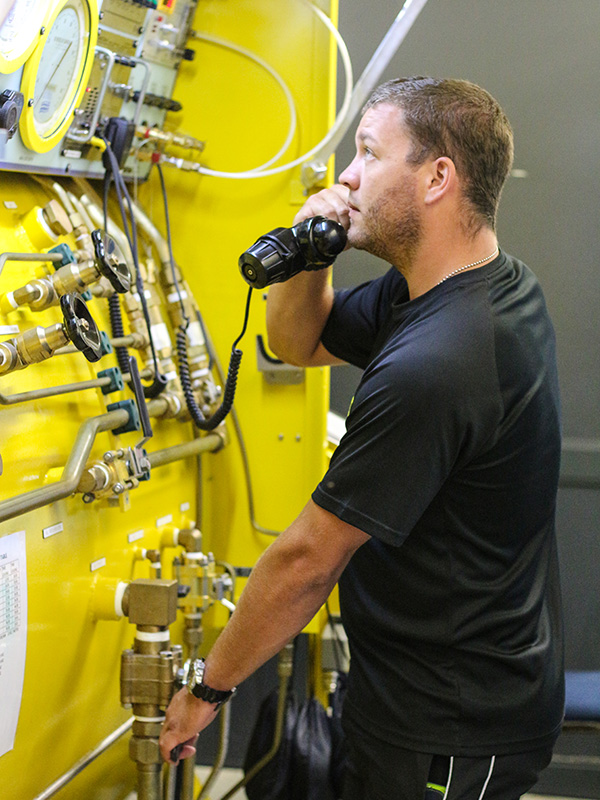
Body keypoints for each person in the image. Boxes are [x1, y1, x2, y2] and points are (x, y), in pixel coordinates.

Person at [159, 77, 564, 799]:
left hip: (451, 724)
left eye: (369, 153)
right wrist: (310, 255)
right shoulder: (465, 287)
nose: (346, 177)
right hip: (405, 691)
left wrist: (208, 688)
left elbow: (307, 561)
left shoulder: (441, 360)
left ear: (437, 177)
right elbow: (297, 342)